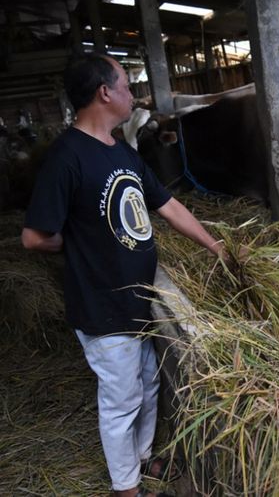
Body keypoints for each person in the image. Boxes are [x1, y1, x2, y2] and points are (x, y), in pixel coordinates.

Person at [22, 53, 224, 497]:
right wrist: (79, 244)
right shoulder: (66, 157)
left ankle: (142, 458)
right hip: (102, 302)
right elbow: (33, 238)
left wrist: (215, 246)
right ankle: (126, 488)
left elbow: (167, 206)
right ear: (104, 93)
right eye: (126, 85)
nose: (133, 94)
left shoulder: (122, 151)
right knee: (121, 399)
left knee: (148, 383)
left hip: (137, 297)